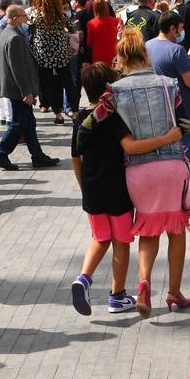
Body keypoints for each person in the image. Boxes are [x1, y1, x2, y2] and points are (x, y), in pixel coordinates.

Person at [112, 28, 190, 316]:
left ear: (121, 58)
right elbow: (184, 122)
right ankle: (174, 291)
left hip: (138, 169)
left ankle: (144, 283)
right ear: (145, 55)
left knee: (149, 229)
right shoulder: (168, 84)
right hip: (171, 165)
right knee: (176, 229)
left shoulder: (114, 91)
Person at [69, 62, 141, 315]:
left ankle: (83, 278)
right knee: (121, 241)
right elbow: (130, 147)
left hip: (92, 189)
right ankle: (117, 296)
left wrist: (83, 187)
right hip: (118, 189)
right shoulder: (114, 117)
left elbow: (75, 158)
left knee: (100, 238)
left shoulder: (81, 119)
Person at [0, 5, 59, 171]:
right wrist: (26, 92)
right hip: (18, 90)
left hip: (14, 88)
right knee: (19, 123)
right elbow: (17, 69)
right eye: (23, 16)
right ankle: (1, 153)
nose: (26, 19)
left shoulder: (4, 34)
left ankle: (37, 156)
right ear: (14, 18)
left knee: (28, 123)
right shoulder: (14, 37)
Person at [147, 12, 190, 165]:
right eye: (180, 28)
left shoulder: (147, 46)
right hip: (183, 109)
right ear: (172, 29)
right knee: (186, 154)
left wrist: (188, 57)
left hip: (158, 109)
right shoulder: (177, 50)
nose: (181, 32)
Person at [29, 0, 74, 125]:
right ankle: (74, 110)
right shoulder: (60, 14)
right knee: (67, 82)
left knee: (49, 85)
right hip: (60, 53)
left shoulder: (35, 14)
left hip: (43, 54)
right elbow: (72, 28)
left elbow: (29, 30)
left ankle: (58, 114)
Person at [85, 0, 119, 65]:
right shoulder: (116, 21)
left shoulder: (91, 23)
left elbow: (89, 42)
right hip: (113, 53)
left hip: (98, 55)